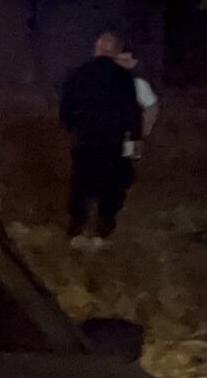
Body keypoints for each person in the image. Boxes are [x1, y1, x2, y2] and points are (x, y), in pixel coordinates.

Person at [60, 32, 144, 250]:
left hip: (84, 138)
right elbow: (133, 111)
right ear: (116, 51)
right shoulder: (123, 77)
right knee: (110, 185)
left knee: (81, 183)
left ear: (97, 49)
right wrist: (134, 135)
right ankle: (102, 231)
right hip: (112, 140)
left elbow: (66, 106)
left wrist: (72, 127)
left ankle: (76, 229)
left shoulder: (78, 74)